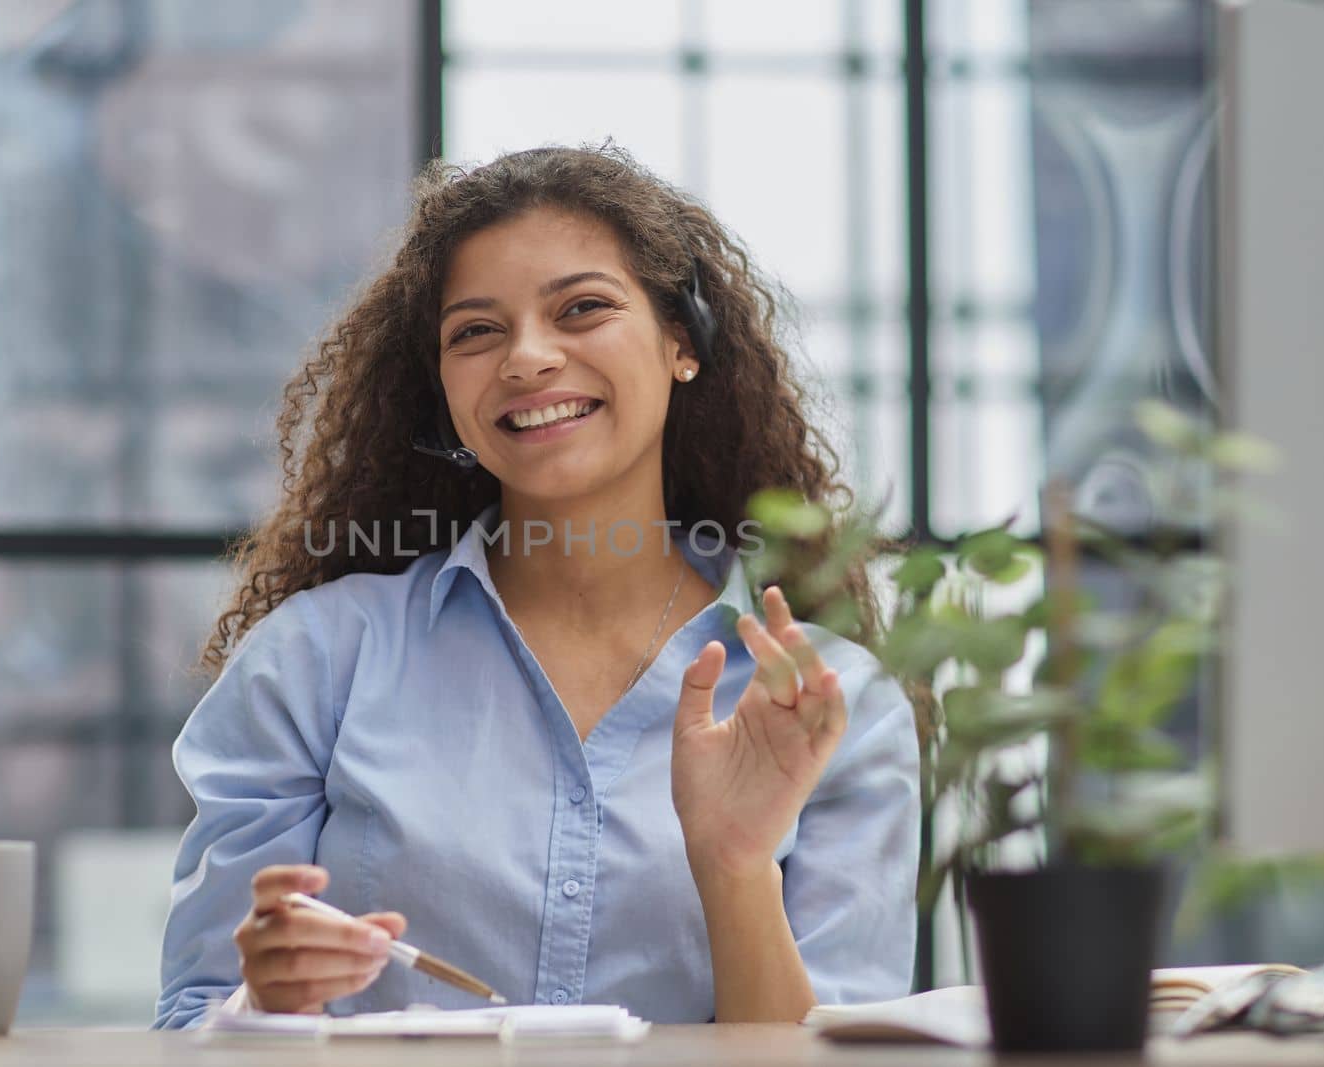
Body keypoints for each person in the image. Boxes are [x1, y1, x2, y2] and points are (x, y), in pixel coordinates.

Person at [154, 144, 921, 1031]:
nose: (526, 358)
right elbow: (190, 1021)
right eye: (476, 331)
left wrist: (737, 865)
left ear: (683, 342)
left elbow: (844, 1055)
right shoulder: (315, 662)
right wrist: (267, 1002)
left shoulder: (826, 702)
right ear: (442, 390)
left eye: (582, 308)